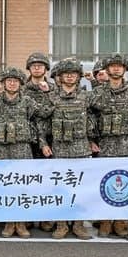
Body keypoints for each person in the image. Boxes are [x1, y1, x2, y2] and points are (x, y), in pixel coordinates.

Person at [37, 58, 95, 240]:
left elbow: (94, 120)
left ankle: (78, 225)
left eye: (74, 73)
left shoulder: (87, 97)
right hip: (60, 149)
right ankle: (61, 224)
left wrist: (93, 140)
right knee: (60, 188)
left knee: (81, 188)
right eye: (66, 73)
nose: (70, 76)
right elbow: (41, 121)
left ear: (78, 77)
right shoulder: (52, 97)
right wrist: (43, 144)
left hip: (81, 149)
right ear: (59, 77)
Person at [90, 53, 128, 237]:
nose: (115, 68)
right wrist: (91, 139)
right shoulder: (98, 92)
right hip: (105, 144)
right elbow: (89, 116)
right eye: (112, 66)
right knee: (104, 183)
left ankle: (121, 220)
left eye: (119, 66)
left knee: (125, 183)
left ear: (124, 69)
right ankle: (105, 220)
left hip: (126, 144)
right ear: (106, 70)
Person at [0, 67, 40, 238]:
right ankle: (9, 222)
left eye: (15, 81)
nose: (12, 83)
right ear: (3, 83)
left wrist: (47, 92)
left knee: (22, 186)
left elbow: (40, 118)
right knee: (5, 186)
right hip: (2, 149)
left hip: (22, 148)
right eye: (9, 81)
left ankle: (21, 223)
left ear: (20, 84)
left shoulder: (28, 102)